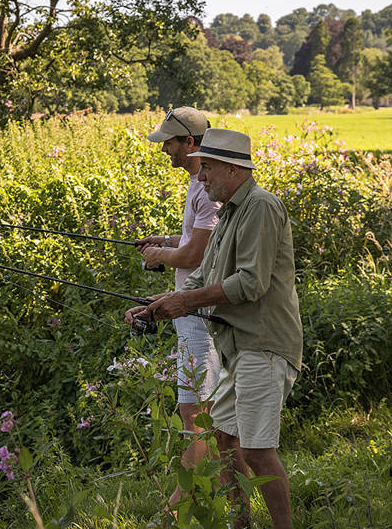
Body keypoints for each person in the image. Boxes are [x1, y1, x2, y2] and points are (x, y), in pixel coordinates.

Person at [126, 128, 303, 529]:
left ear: (231, 168)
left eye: (207, 167)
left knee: (258, 451)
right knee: (222, 439)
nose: (200, 175)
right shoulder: (228, 214)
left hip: (265, 345)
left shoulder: (260, 206)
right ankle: (242, 523)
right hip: (238, 348)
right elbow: (201, 275)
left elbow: (250, 284)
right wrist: (155, 308)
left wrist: (185, 303)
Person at [135, 107, 221, 511]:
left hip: (200, 316)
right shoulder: (197, 183)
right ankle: (209, 497)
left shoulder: (209, 187)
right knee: (195, 411)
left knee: (196, 414)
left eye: (169, 141)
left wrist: (160, 256)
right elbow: (192, 238)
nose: (164, 148)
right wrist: (165, 240)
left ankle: (181, 505)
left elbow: (197, 253)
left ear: (190, 142)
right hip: (187, 310)